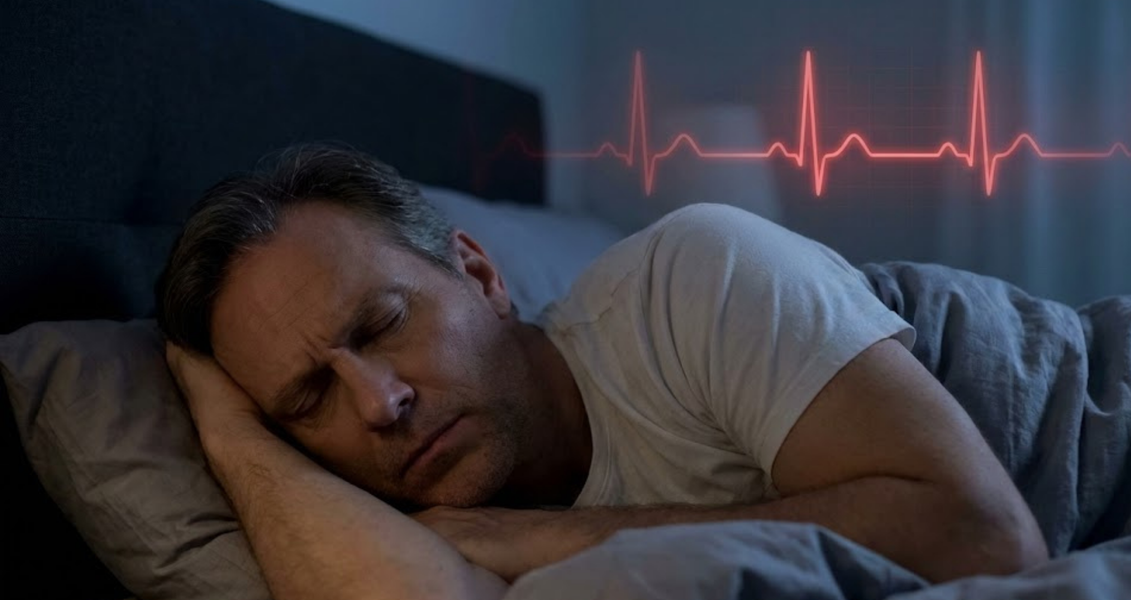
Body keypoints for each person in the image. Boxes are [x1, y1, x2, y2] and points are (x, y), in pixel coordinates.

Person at [157, 144, 1048, 600]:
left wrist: (533, 538)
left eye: (386, 323)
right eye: (310, 401)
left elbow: (987, 542)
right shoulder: (393, 518)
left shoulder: (697, 270)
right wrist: (232, 433)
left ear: (480, 274)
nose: (379, 404)